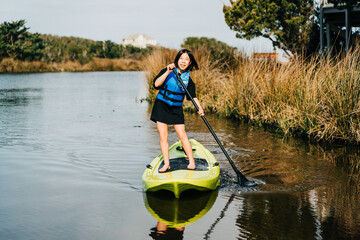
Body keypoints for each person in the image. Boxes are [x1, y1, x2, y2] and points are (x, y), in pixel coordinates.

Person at [150, 49, 204, 172]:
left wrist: (199, 108)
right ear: (177, 59)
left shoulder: (188, 79)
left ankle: (191, 162)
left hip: (176, 109)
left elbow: (193, 97)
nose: (183, 61)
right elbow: (156, 84)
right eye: (181, 58)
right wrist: (168, 71)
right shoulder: (168, 71)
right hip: (161, 106)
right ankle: (166, 164)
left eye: (186, 59)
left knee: (182, 135)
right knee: (163, 136)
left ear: (190, 63)